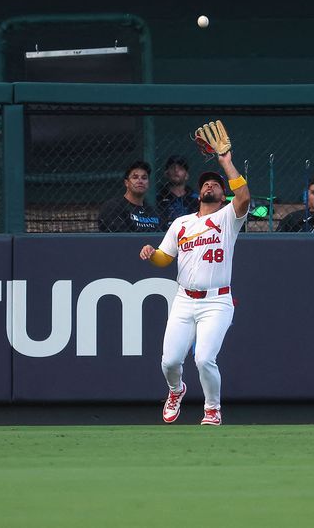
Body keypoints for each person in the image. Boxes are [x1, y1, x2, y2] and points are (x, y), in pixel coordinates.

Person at [139, 126, 249, 426]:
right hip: (184, 300)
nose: (210, 185)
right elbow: (165, 258)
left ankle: (212, 408)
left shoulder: (227, 218)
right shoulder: (182, 223)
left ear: (221, 192)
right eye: (206, 183)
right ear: (199, 191)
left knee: (203, 359)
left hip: (217, 302)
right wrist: (152, 254)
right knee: (170, 361)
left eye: (215, 183)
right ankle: (176, 390)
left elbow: (243, 196)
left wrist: (225, 161)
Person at [97, 161, 162, 232]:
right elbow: (121, 239)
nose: (140, 181)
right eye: (135, 177)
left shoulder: (154, 212)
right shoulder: (112, 207)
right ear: (126, 183)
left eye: (144, 178)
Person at [157, 155, 199, 227]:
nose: (176, 170)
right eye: (172, 168)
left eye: (180, 168)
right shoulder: (159, 197)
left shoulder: (195, 199)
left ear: (186, 175)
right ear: (166, 173)